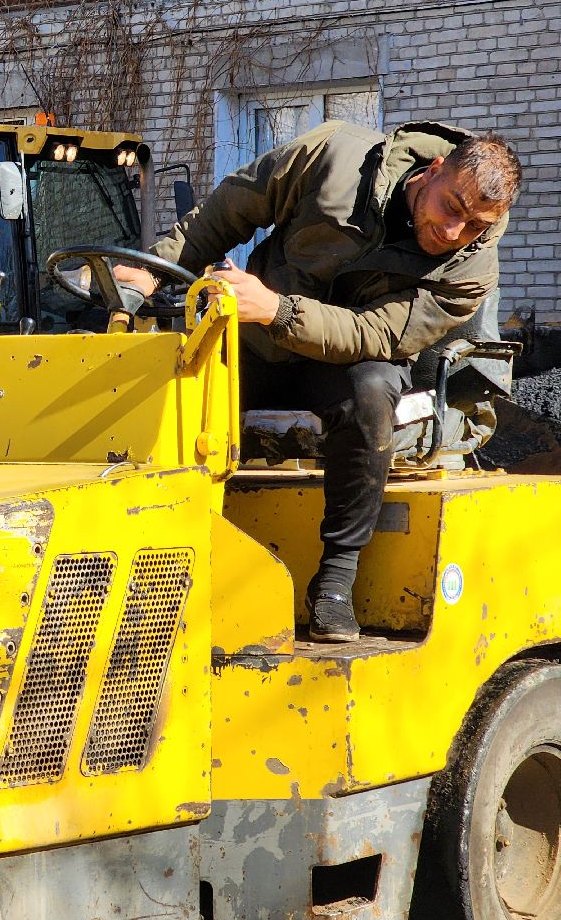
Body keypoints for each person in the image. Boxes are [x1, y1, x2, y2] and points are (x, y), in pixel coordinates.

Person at [116, 121, 522, 642]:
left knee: (372, 389)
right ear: (434, 170)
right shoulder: (336, 157)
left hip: (343, 362)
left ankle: (335, 581)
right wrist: (160, 269)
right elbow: (232, 208)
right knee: (165, 380)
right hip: (256, 344)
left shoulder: (470, 271)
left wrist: (276, 310)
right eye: (451, 208)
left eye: (474, 226)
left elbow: (373, 332)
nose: (452, 233)